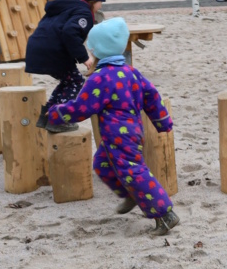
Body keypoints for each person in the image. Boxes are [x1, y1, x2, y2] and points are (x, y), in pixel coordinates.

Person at [46, 17, 180, 235]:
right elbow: (152, 96)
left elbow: (82, 108)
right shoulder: (131, 72)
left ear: (97, 51)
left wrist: (57, 112)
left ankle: (165, 214)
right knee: (101, 164)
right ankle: (130, 195)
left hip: (119, 136)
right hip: (130, 132)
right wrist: (162, 121)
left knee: (135, 172)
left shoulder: (99, 78)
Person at [25, 0, 106, 133]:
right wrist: (84, 58)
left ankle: (47, 115)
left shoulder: (65, 7)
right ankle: (58, 119)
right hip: (54, 52)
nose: (101, 5)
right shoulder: (83, 13)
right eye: (100, 1)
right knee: (76, 82)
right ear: (92, 0)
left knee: (68, 81)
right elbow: (70, 32)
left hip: (37, 49)